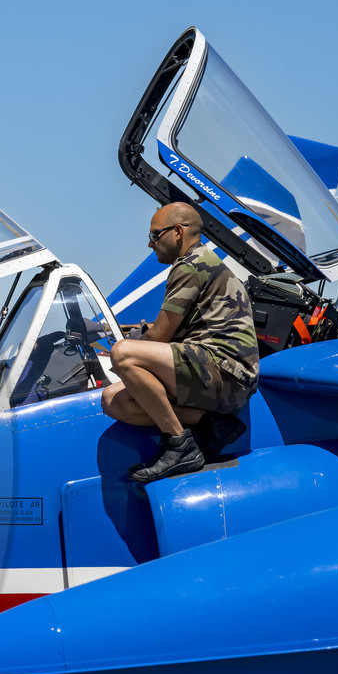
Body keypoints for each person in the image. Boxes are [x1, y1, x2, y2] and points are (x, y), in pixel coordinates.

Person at [101, 202, 259, 482]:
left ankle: (179, 445)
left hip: (226, 373)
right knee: (113, 401)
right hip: (219, 374)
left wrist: (130, 346)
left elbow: (161, 336)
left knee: (123, 354)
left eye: (154, 235)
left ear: (177, 232)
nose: (150, 245)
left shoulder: (192, 264)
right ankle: (211, 424)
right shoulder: (202, 263)